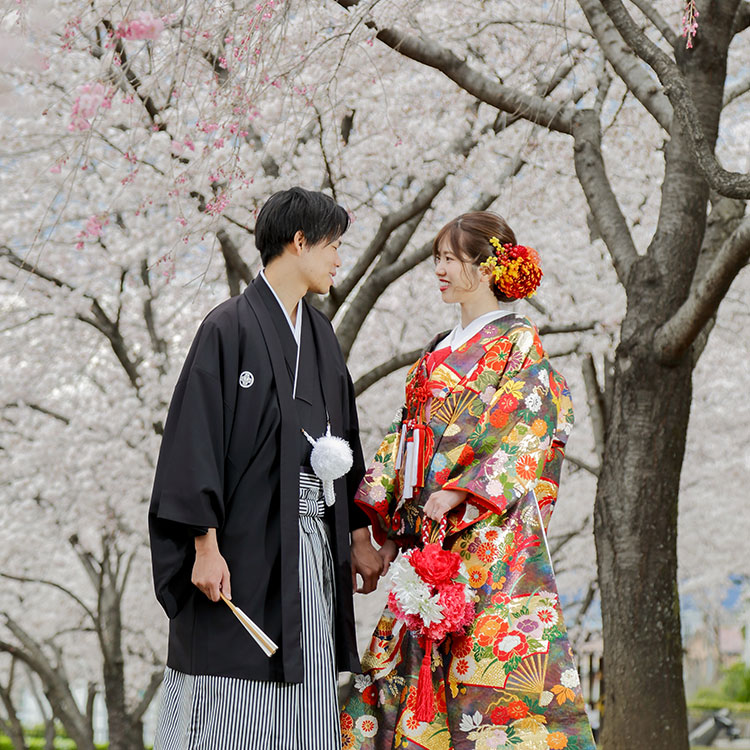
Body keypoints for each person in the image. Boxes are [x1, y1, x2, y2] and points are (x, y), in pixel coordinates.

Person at [341, 212, 596, 750]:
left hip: (488, 538)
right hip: (430, 535)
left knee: (485, 668)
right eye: (438, 258)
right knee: (414, 658)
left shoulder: (519, 342)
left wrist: (461, 487)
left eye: (450, 259)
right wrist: (386, 523)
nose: (439, 269)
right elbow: (405, 439)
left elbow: (530, 422)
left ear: (486, 267)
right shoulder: (438, 347)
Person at [148, 187, 383, 750]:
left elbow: (343, 440)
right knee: (234, 701)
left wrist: (356, 533)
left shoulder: (322, 337)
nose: (337, 259)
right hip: (242, 549)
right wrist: (203, 546)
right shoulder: (227, 328)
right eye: (332, 245)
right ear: (298, 242)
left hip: (311, 548)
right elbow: (193, 442)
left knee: (309, 694)